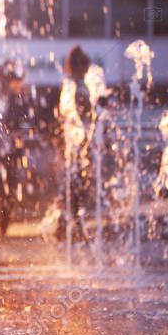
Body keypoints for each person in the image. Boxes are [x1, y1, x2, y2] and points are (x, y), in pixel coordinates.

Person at [0, 60, 31, 237]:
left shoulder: (12, 99)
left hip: (6, 150)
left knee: (5, 188)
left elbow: (16, 125)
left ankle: (2, 226)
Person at [55, 45, 93, 242]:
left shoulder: (70, 86)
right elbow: (83, 118)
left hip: (73, 148)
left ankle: (67, 229)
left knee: (73, 189)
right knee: (76, 190)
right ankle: (67, 229)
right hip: (78, 148)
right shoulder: (77, 88)